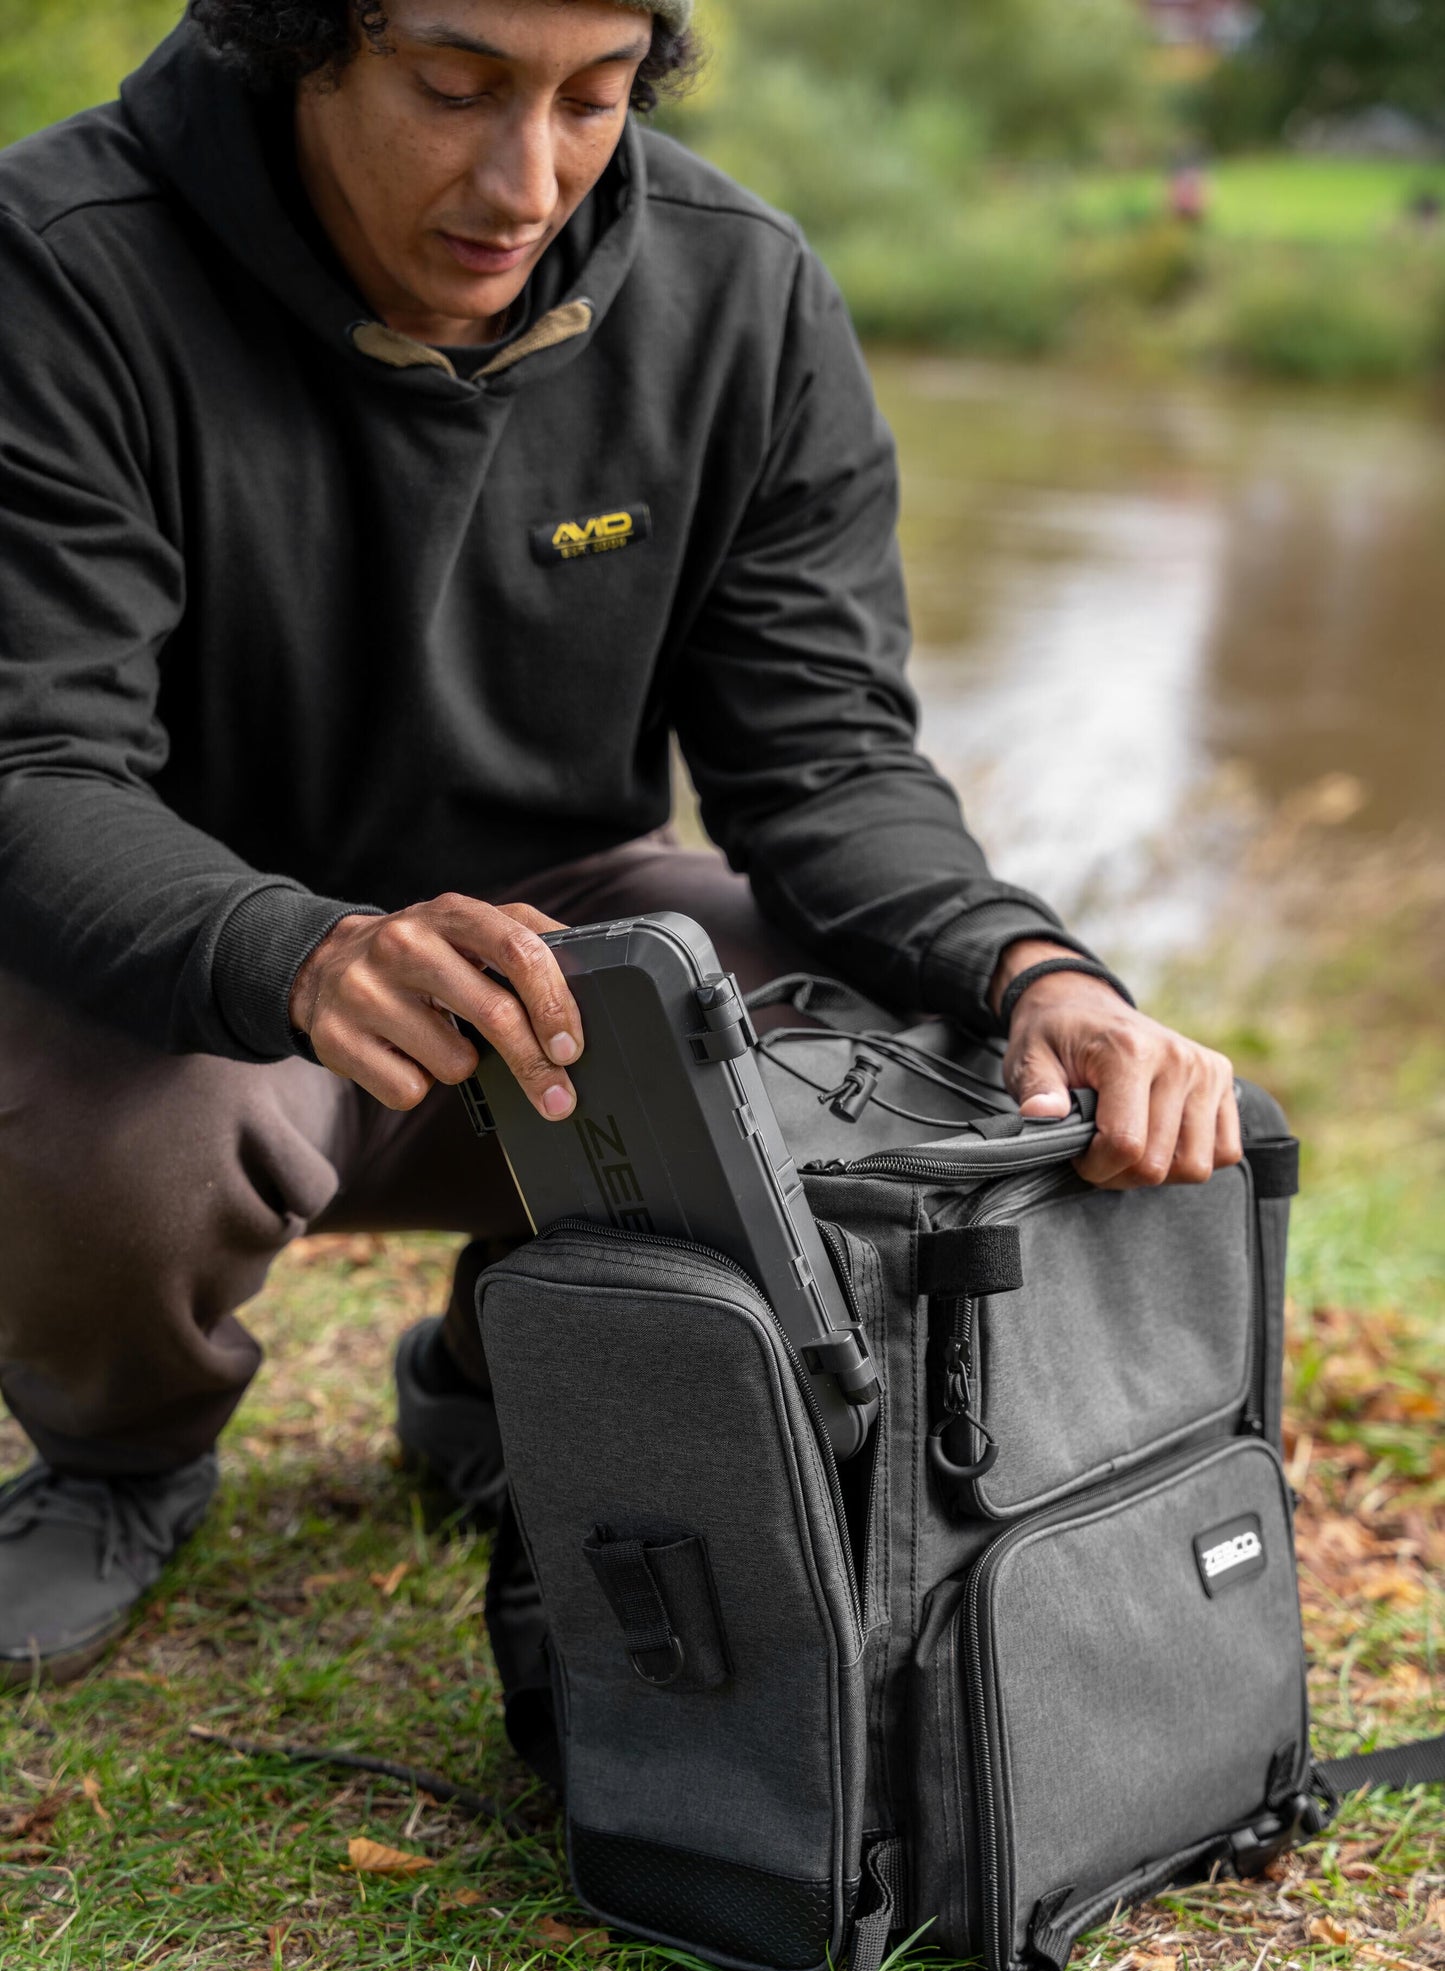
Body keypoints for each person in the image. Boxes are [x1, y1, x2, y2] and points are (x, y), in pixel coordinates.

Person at [0, 0, 1242, 1685]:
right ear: (299, 45)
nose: (526, 183)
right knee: (66, 1112)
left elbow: (824, 761)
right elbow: (35, 763)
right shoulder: (58, 262)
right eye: (456, 90)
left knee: (914, 1045)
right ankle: (122, 1461)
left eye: (591, 100)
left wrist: (1035, 973)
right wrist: (299, 949)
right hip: (201, 951)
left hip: (563, 947)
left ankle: (515, 1366)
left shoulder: (744, 289)